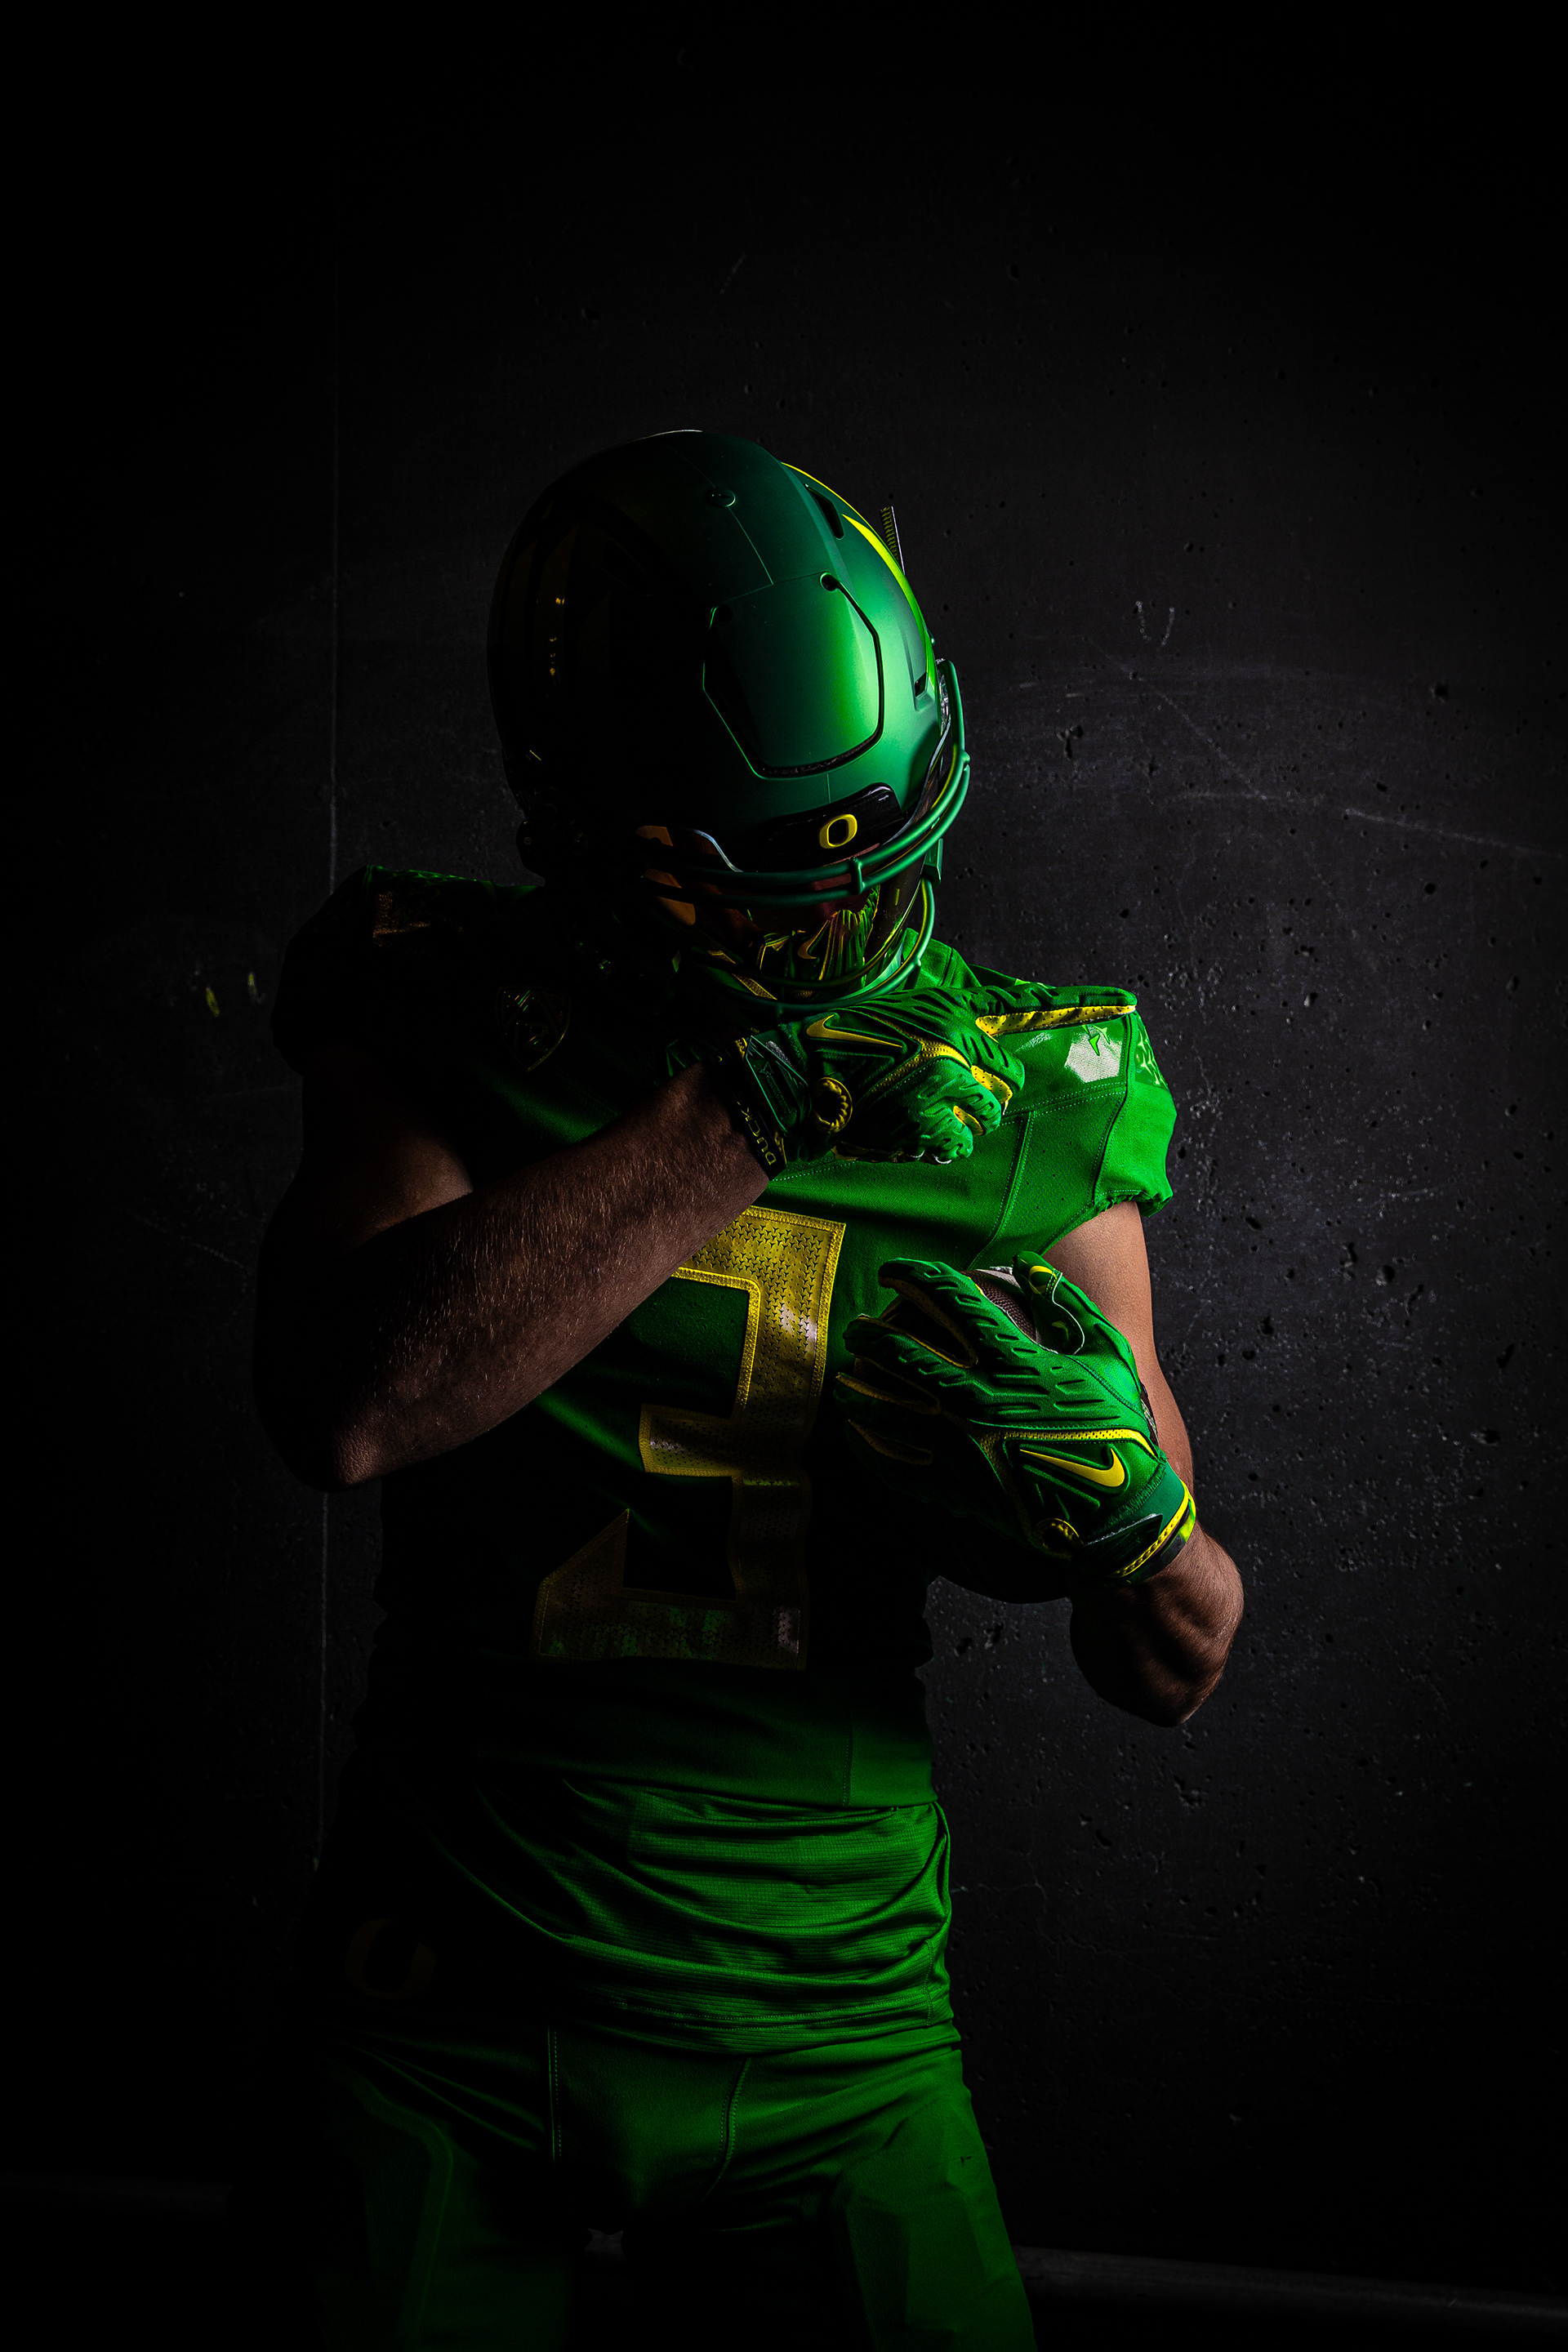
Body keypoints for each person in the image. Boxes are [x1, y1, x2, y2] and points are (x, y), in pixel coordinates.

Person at [254, 430, 1244, 2350]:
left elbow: (1175, 1658)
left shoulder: (1022, 1093)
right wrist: (745, 1112)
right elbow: (344, 1404)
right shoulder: (446, 1001)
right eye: (779, 894)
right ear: (584, 824)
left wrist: (1137, 1528)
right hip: (447, 1992)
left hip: (834, 2032)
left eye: (878, 854)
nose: (848, 926)